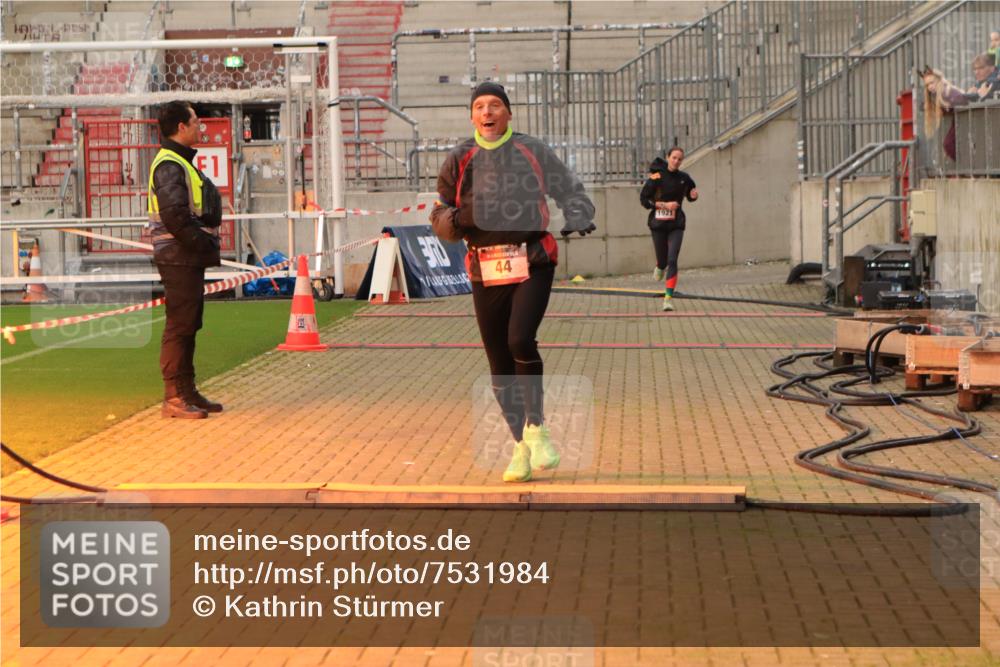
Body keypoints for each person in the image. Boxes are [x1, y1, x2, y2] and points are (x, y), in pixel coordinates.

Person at [430, 82, 596, 483]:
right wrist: (458, 222)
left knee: (520, 340)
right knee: (499, 363)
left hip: (533, 259)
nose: (488, 113)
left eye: (496, 105)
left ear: (508, 113)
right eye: (480, 107)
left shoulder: (531, 149)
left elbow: (568, 187)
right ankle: (520, 447)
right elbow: (439, 213)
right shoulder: (459, 159)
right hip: (484, 267)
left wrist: (578, 212)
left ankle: (537, 429)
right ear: (472, 116)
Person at [148, 101, 224, 419]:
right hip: (178, 256)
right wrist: (202, 242)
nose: (199, 126)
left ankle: (186, 391)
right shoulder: (170, 164)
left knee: (189, 324)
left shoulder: (177, 162)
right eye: (195, 121)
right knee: (180, 326)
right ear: (181, 127)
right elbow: (176, 217)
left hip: (184, 256)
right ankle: (174, 397)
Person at [639, 146, 698, 311]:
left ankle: (668, 298)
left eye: (680, 159)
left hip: (676, 224)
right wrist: (664, 205)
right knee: (664, 260)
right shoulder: (657, 177)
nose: (676, 161)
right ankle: (659, 265)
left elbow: (690, 194)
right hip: (658, 224)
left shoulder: (685, 178)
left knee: (673, 259)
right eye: (674, 158)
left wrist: (694, 196)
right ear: (668, 157)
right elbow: (644, 199)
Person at [921, 67, 967, 161]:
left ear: (939, 81)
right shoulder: (940, 93)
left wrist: (950, 107)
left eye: (932, 83)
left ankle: (963, 164)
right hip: (959, 120)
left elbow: (961, 100)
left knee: (948, 144)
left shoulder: (946, 92)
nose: (929, 87)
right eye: (927, 85)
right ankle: (963, 165)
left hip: (965, 118)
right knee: (950, 144)